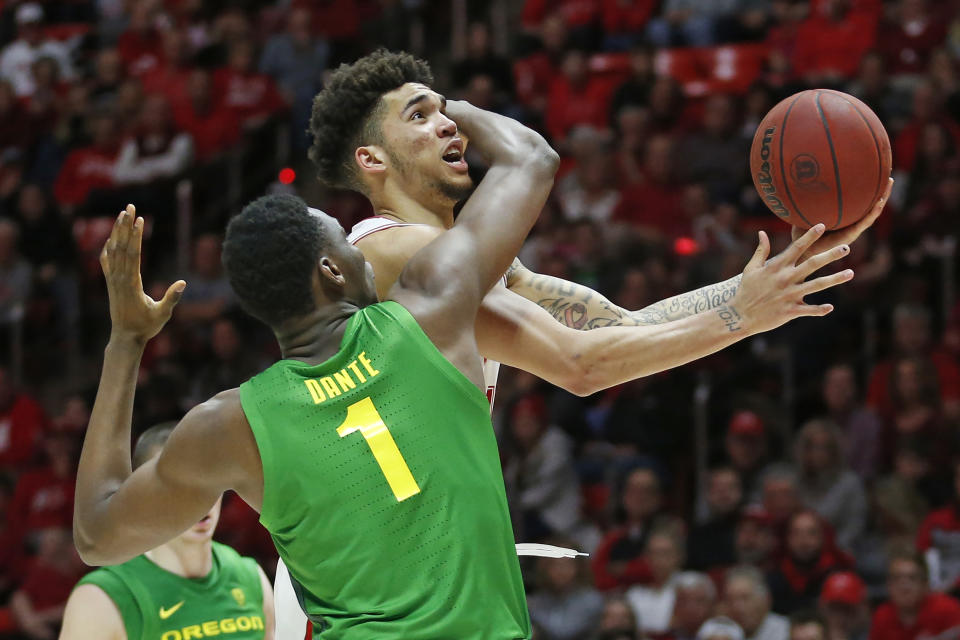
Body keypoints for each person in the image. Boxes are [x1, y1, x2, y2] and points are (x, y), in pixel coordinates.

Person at [287, 46, 874, 635]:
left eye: (446, 113)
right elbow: (580, 366)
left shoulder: (469, 261)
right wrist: (743, 317)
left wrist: (778, 277)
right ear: (371, 159)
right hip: (384, 575)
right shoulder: (390, 251)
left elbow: (620, 326)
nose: (447, 124)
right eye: (419, 117)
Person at [60, 423, 275, 640]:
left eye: (208, 476)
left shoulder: (251, 578)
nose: (198, 497)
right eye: (177, 483)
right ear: (140, 491)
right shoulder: (102, 599)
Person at [868, 550, 960, 640]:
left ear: (925, 584)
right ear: (888, 585)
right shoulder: (882, 616)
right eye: (896, 578)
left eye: (912, 578)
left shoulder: (947, 609)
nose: (904, 586)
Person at [724, 566, 790, 640]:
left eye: (745, 598)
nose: (737, 607)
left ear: (766, 599)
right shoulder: (720, 634)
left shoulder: (788, 632)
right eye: (730, 600)